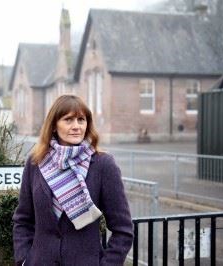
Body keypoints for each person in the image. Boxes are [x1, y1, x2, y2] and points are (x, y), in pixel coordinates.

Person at [12, 95, 133, 265]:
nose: (76, 126)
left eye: (81, 120)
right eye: (68, 119)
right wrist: (24, 259)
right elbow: (23, 219)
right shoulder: (36, 162)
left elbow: (123, 229)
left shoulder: (103, 165)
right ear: (54, 125)